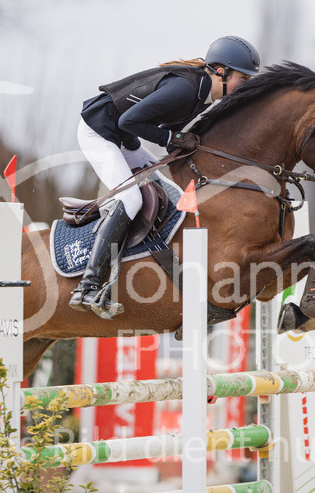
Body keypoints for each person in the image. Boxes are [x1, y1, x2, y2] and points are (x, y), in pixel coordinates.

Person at [70, 35, 261, 318]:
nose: (244, 87)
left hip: (124, 137)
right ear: (221, 72)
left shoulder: (205, 94)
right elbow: (129, 121)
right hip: (99, 131)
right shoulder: (185, 89)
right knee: (132, 198)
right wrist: (172, 138)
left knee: (169, 190)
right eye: (243, 80)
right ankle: (88, 285)